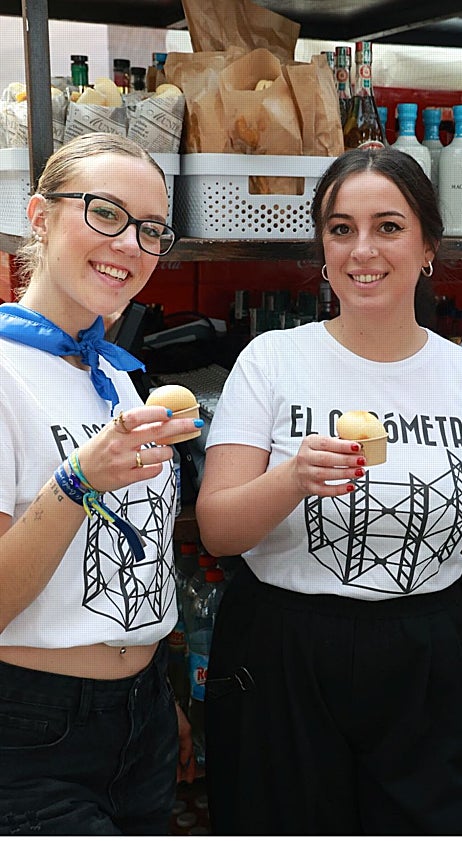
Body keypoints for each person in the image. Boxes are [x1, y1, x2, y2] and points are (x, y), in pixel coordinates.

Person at [196, 146, 462, 835]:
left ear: (427, 247)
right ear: (321, 250)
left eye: (387, 226)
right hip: (281, 655)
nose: (363, 250)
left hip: (426, 657)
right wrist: (291, 478)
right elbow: (218, 530)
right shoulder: (273, 360)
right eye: (340, 228)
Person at [0, 132, 201, 834]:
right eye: (105, 212)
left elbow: (130, 559)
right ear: (40, 215)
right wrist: (79, 477)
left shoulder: (115, 375)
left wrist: (157, 693)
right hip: (29, 724)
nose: (129, 244)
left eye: (150, 229)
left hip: (140, 717)